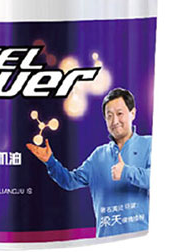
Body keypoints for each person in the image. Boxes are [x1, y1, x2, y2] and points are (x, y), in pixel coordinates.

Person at [26, 88, 151, 237]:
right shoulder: (99, 155)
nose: (114, 121)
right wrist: (50, 161)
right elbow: (70, 181)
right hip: (105, 240)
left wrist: (126, 172)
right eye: (109, 116)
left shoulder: (149, 144)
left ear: (132, 113)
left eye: (119, 114)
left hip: (140, 240)